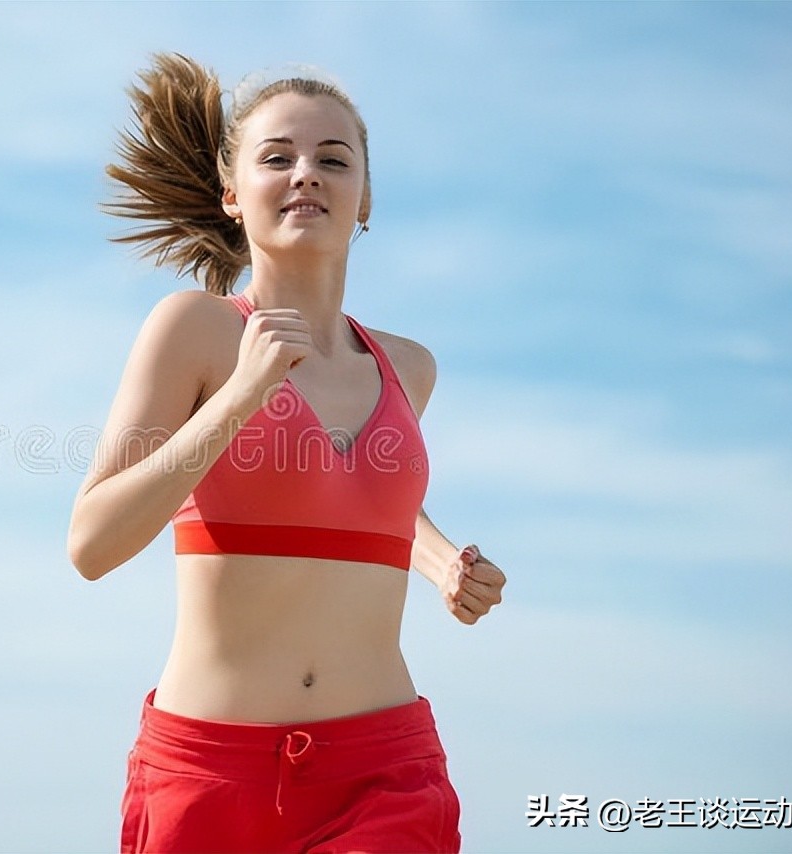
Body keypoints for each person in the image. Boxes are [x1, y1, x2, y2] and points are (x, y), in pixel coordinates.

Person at [67, 52, 507, 854]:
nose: (306, 174)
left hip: (385, 775)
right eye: (277, 157)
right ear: (234, 194)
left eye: (333, 159)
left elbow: (362, 496)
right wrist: (239, 395)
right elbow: (91, 544)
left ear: (365, 197)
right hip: (211, 774)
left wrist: (443, 561)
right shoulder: (193, 331)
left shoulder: (408, 367)